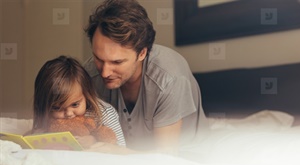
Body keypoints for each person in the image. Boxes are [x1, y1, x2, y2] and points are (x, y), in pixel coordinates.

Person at [84, 0, 209, 153]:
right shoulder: (89, 75)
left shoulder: (169, 79)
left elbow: (165, 160)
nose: (105, 72)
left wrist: (117, 152)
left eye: (117, 62)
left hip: (184, 159)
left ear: (142, 53)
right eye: (98, 59)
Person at [32, 55, 126, 148]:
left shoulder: (104, 112)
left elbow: (120, 148)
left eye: (75, 104)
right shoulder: (48, 116)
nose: (69, 113)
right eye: (57, 108)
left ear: (86, 94)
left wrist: (94, 140)